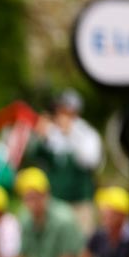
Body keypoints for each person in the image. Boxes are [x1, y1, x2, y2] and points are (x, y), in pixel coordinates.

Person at [25, 88, 103, 233]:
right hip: (56, 203)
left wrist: (71, 134)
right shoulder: (52, 133)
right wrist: (40, 136)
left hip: (80, 203)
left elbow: (91, 161)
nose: (60, 115)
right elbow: (35, 156)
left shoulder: (87, 134)